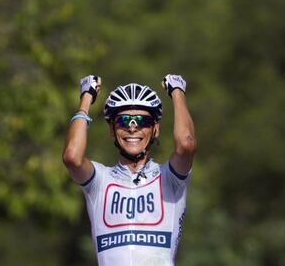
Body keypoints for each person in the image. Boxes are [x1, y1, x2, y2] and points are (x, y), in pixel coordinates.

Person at [62, 74, 197, 266]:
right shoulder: (100, 181)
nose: (132, 129)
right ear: (112, 130)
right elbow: (71, 157)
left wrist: (177, 92)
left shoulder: (169, 178)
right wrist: (86, 99)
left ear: (155, 129)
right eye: (124, 121)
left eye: (142, 121)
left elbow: (186, 144)